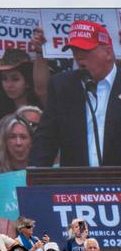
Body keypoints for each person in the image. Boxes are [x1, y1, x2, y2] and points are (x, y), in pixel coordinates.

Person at [31, 20, 121, 168]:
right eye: (75, 51)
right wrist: (34, 182)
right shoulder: (62, 86)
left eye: (86, 51)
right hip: (75, 184)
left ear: (108, 53)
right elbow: (46, 141)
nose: (78, 57)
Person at [0, 47, 44, 117]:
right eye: (4, 78)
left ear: (28, 82)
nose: (9, 85)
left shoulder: (41, 108)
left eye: (15, 79)